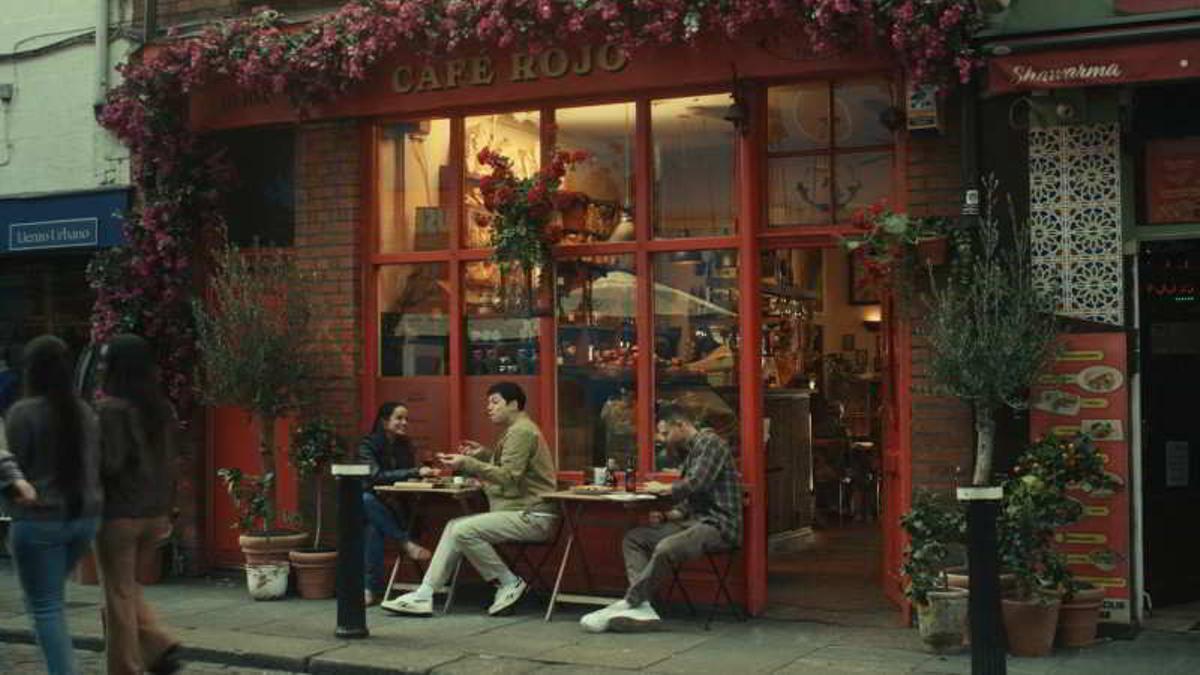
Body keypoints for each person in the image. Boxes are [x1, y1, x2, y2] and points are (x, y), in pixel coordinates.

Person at [382, 381, 558, 617]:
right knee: (454, 526)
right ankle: (424, 594)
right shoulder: (518, 430)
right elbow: (512, 468)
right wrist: (484, 454)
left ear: (514, 404)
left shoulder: (521, 431)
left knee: (463, 530)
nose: (489, 408)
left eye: (495, 402)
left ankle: (508, 582)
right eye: (488, 403)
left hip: (532, 515)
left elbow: (508, 477)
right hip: (521, 512)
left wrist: (468, 463)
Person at [580, 402, 742, 633]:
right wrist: (668, 515)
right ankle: (643, 607)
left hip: (718, 525)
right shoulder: (692, 451)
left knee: (666, 547)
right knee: (634, 538)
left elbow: (698, 482)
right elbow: (690, 501)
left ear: (682, 424)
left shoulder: (711, 442)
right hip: (694, 522)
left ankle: (631, 601)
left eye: (666, 433)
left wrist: (663, 489)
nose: (662, 438)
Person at [0, 335, 102, 674]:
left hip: (39, 518)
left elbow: (16, 465)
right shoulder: (84, 412)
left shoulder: (23, 413)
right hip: (83, 518)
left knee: (45, 607)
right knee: (52, 598)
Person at [93, 334, 182, 675]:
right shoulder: (160, 409)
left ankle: (128, 665)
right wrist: (169, 509)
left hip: (118, 514)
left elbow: (109, 463)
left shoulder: (111, 410)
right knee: (127, 588)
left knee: (117, 595)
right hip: (153, 513)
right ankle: (156, 647)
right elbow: (172, 463)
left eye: (104, 361)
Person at [359, 401, 435, 606]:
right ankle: (405, 543)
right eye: (399, 418)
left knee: (374, 526)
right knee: (365, 501)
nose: (404, 423)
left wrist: (422, 476)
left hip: (396, 508)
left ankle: (369, 589)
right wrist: (413, 472)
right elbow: (374, 476)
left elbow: (406, 477)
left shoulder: (405, 446)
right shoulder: (368, 445)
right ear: (384, 422)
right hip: (374, 507)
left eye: (406, 419)